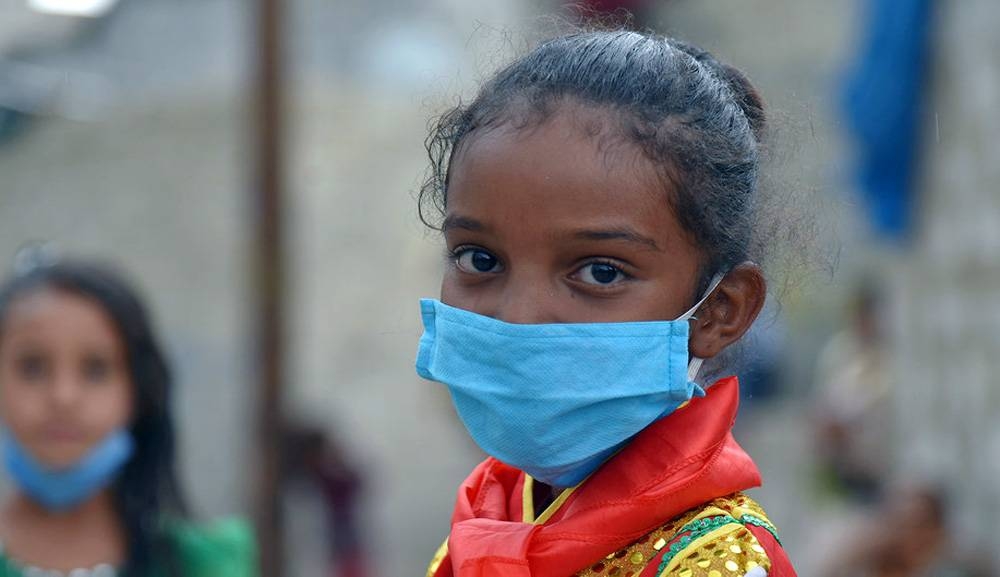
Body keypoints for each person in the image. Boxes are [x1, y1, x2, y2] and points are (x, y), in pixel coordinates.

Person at [413, 30, 798, 577]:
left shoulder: (713, 563)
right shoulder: (488, 515)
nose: (521, 317)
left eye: (600, 272)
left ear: (720, 311)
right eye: (479, 260)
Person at [0, 257, 257, 576]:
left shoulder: (208, 564)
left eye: (96, 369)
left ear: (138, 390)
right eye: (33, 367)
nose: (63, 397)